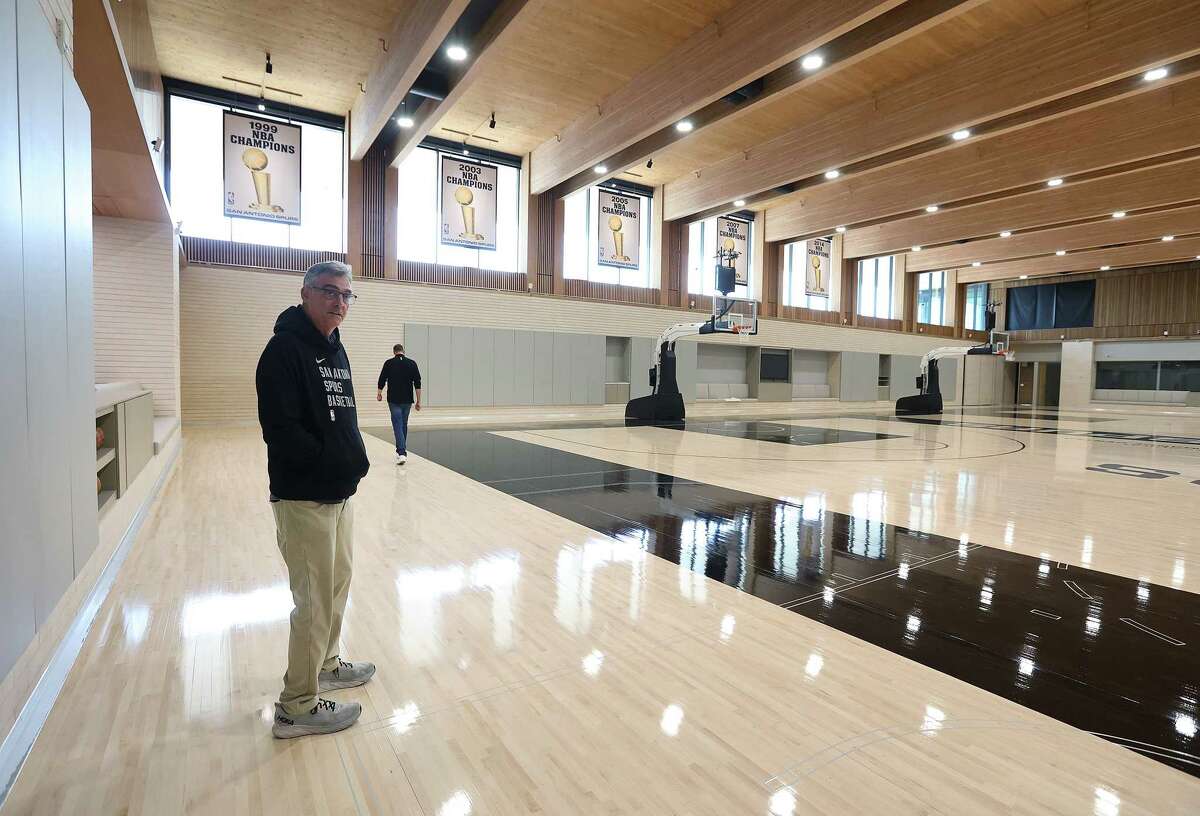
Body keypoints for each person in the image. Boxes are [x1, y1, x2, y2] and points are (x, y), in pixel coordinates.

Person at [255, 260, 376, 739]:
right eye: (329, 291)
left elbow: (340, 419)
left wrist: (353, 458)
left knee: (336, 586)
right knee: (313, 602)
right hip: (304, 497)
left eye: (346, 295)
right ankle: (296, 706)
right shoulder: (283, 350)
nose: (339, 302)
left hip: (338, 495)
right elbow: (281, 432)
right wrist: (332, 463)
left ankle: (325, 665)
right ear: (305, 293)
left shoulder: (334, 348)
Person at [376, 344, 422, 464]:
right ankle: (400, 450)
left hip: (394, 400)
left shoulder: (389, 363)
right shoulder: (412, 363)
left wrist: (379, 393)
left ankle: (402, 452)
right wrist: (418, 401)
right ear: (403, 351)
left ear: (394, 352)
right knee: (403, 424)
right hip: (407, 400)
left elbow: (382, 379)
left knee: (397, 424)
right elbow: (417, 383)